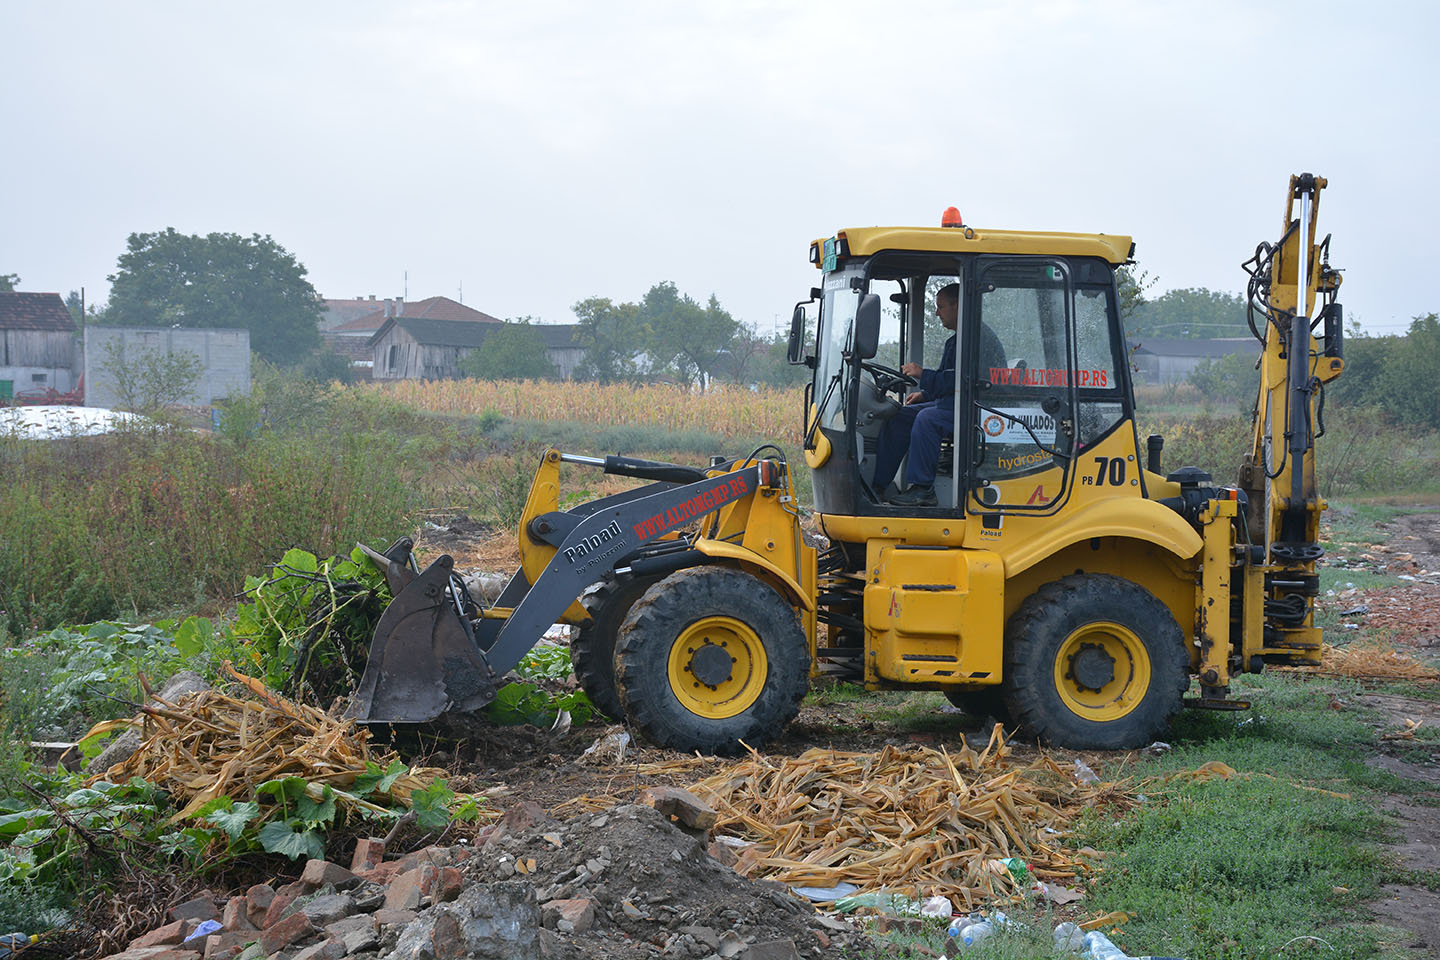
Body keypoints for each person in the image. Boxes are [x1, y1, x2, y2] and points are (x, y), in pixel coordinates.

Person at [870, 283, 960, 507]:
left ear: (957, 306)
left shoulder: (975, 341)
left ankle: (923, 490)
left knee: (927, 419)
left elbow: (962, 381)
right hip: (951, 404)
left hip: (971, 409)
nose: (937, 313)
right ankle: (879, 485)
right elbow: (949, 380)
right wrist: (925, 394)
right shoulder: (955, 342)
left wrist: (922, 373)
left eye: (940, 307)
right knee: (900, 415)